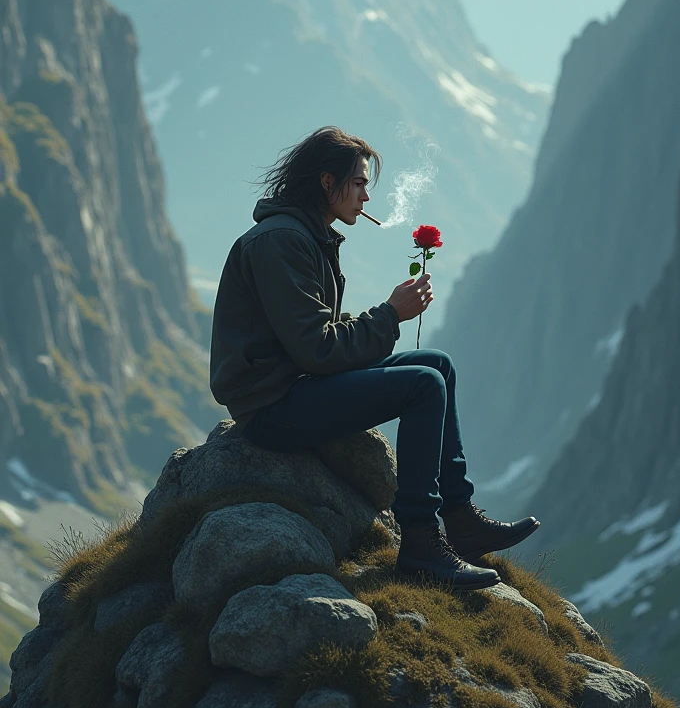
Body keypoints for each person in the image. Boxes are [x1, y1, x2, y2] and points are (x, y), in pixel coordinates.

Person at [210, 126, 540, 588]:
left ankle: (460, 519)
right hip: (272, 406)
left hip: (295, 383)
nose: (367, 196)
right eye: (360, 182)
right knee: (424, 385)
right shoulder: (281, 241)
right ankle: (422, 542)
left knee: (438, 363)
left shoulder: (306, 235)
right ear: (328, 183)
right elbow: (319, 350)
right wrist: (390, 314)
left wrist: (390, 315)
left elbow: (315, 341)